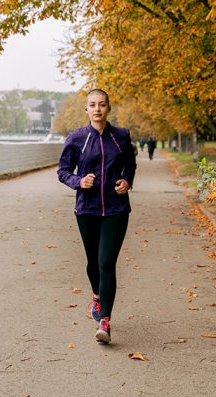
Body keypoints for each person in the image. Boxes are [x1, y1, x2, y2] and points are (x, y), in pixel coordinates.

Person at [57, 89, 137, 344]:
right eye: (92, 105)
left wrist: (127, 181)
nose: (97, 109)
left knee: (106, 263)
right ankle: (96, 295)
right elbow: (63, 171)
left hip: (116, 209)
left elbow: (130, 164)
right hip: (87, 209)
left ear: (108, 108)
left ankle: (105, 321)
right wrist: (79, 181)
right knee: (93, 263)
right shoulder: (77, 138)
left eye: (102, 104)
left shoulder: (121, 137)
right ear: (86, 109)